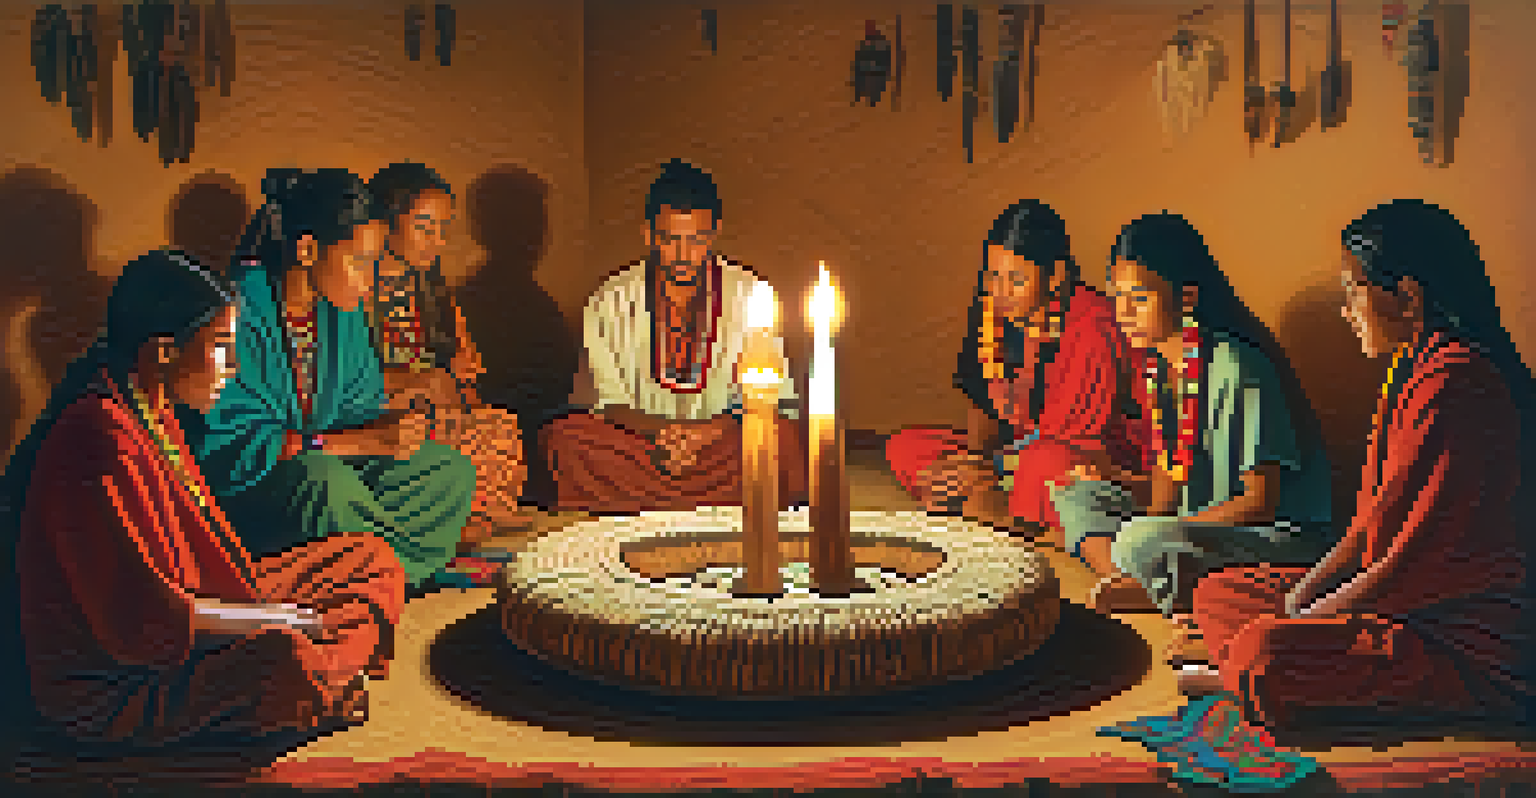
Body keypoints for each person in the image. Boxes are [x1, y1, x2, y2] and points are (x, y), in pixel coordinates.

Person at [0, 249, 403, 757]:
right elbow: (148, 619)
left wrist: (268, 609)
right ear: (165, 351)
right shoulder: (98, 438)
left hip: (202, 608)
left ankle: (325, 671)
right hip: (122, 680)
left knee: (371, 560)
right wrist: (276, 620)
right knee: (287, 660)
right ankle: (323, 675)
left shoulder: (152, 407)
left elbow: (209, 563)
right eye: (220, 347)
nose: (233, 368)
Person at [1183, 200, 1531, 736]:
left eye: (1352, 291)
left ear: (1408, 296)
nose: (1345, 311)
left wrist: (1307, 619)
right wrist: (1305, 594)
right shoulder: (1410, 370)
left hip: (1457, 634)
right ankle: (1245, 671)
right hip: (1385, 599)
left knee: (1263, 651)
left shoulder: (1456, 384)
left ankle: (1236, 675)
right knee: (1218, 592)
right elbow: (1370, 521)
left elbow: (1415, 565)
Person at [181, 168, 477, 588]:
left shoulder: (343, 309)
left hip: (332, 463)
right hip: (255, 490)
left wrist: (394, 425)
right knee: (323, 480)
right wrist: (360, 442)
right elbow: (231, 446)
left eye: (374, 263)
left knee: (447, 470)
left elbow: (359, 406)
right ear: (307, 250)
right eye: (359, 262)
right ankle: (385, 569)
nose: (370, 280)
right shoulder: (235, 312)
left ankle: (375, 567)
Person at [1051, 212, 1333, 615]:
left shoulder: (1238, 369)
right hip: (1195, 526)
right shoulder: (1157, 369)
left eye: (1140, 299)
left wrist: (1160, 531)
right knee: (1077, 496)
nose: (1123, 312)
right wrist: (1121, 488)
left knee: (1138, 539)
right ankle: (1135, 579)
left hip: (1272, 537)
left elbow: (1259, 503)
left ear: (1186, 298)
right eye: (1117, 297)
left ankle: (1152, 586)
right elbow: (1167, 491)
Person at [541, 159, 808, 513]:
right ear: (648, 234)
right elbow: (606, 402)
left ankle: (645, 501)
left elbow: (767, 397)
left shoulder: (751, 293)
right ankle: (709, 500)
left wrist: (705, 434)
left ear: (714, 233)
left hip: (720, 440)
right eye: (670, 240)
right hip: (642, 441)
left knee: (782, 441)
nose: (683, 256)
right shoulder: (612, 297)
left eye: (697, 241)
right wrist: (664, 435)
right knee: (564, 440)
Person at [884, 199, 1139, 541]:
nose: (1001, 292)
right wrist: (975, 461)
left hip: (1100, 461)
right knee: (905, 446)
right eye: (993, 276)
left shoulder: (1092, 326)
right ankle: (990, 498)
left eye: (1016, 279)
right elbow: (984, 402)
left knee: (1043, 465)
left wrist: (992, 469)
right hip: (1019, 453)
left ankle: (1002, 506)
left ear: (1055, 276)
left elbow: (1078, 444)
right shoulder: (995, 314)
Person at [365, 161, 524, 545]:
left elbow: (464, 375)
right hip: (376, 418)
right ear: (387, 223)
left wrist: (459, 403)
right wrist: (418, 384)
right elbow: (342, 377)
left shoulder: (434, 295)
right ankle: (450, 520)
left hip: (433, 414)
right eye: (424, 227)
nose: (436, 241)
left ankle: (475, 515)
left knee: (499, 428)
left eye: (442, 230)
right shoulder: (352, 289)